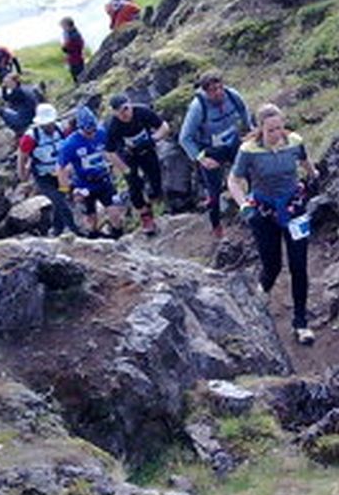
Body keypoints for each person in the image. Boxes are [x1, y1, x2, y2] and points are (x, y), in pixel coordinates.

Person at [227, 103, 317, 344]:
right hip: (264, 211)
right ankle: (260, 294)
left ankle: (301, 323)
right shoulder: (249, 150)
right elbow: (234, 180)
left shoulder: (294, 141)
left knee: (299, 266)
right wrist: (244, 205)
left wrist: (313, 178)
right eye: (271, 130)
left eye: (280, 128)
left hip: (294, 208)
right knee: (273, 265)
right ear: (260, 130)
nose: (278, 135)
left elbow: (307, 164)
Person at [178, 72, 251, 240]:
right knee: (214, 191)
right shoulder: (198, 107)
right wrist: (201, 158)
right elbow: (185, 138)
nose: (218, 92)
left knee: (251, 172)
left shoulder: (232, 95)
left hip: (232, 143)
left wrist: (250, 129)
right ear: (205, 92)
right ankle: (216, 226)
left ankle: (255, 210)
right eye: (213, 90)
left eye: (220, 88)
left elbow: (243, 110)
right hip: (210, 150)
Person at [104, 93, 167, 235]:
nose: (124, 114)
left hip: (146, 149)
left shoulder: (142, 112)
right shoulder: (112, 126)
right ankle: (145, 217)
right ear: (114, 113)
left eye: (126, 109)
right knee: (134, 186)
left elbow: (164, 127)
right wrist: (124, 169)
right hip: (127, 156)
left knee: (155, 180)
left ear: (130, 105)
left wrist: (154, 139)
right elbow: (109, 152)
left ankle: (155, 203)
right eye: (119, 112)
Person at [58, 106, 121, 237]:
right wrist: (66, 189)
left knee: (115, 213)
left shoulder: (102, 133)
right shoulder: (70, 144)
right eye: (88, 132)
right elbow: (61, 167)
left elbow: (112, 151)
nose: (92, 134)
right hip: (83, 184)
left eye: (93, 130)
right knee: (91, 219)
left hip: (104, 180)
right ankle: (93, 237)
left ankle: (117, 234)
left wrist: (117, 169)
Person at [17, 103, 78, 236]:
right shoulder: (30, 138)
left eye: (50, 123)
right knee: (60, 201)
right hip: (43, 176)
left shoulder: (63, 130)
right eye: (45, 124)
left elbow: (72, 147)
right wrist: (22, 176)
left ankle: (57, 229)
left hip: (61, 174)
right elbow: (22, 157)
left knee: (60, 200)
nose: (48, 127)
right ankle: (74, 230)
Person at [59, 17, 87, 82]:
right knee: (75, 74)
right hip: (73, 58)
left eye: (63, 26)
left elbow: (74, 46)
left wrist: (65, 48)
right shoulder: (69, 33)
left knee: (78, 75)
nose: (63, 28)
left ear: (68, 26)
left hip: (76, 59)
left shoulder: (74, 35)